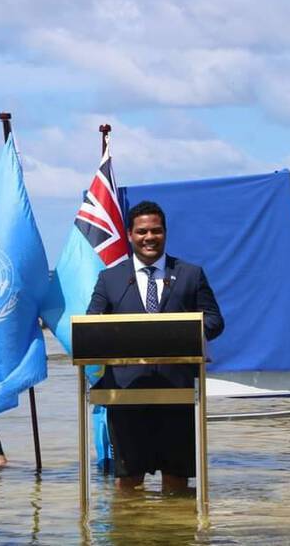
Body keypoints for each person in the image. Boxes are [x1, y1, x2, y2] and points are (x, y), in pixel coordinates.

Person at [87, 200, 224, 492]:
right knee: (128, 481)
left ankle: (172, 523)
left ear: (165, 233)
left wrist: (179, 334)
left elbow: (214, 321)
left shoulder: (190, 274)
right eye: (142, 231)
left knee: (176, 481)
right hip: (125, 392)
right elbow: (92, 324)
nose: (149, 237)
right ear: (130, 235)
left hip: (177, 390)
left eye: (156, 231)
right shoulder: (110, 278)